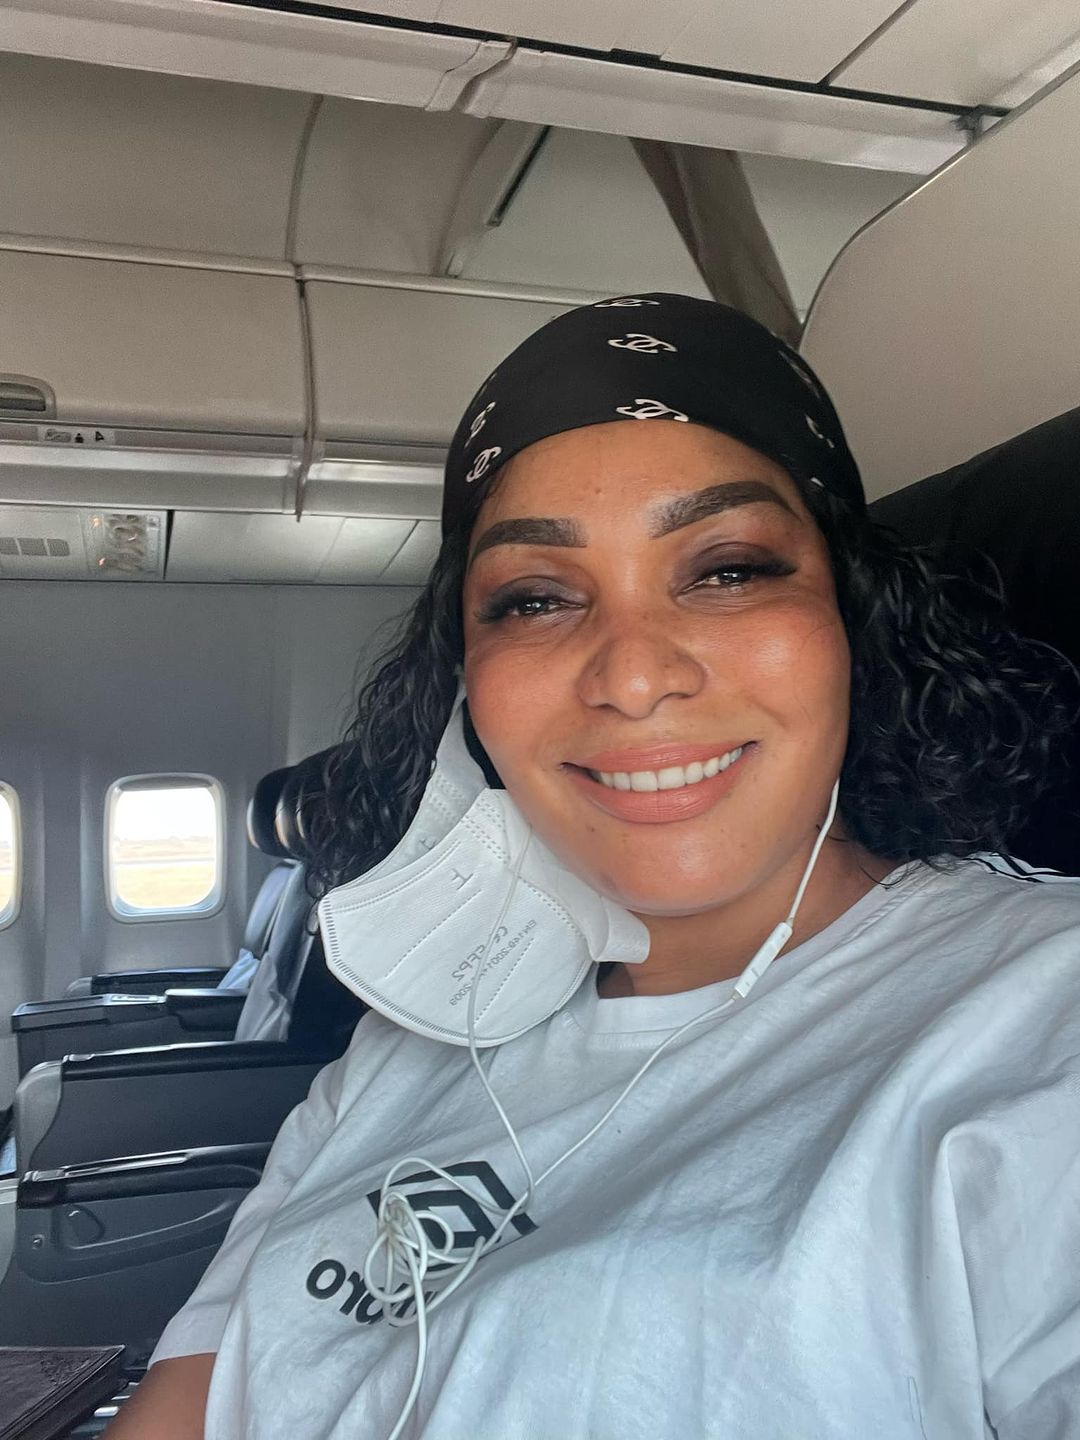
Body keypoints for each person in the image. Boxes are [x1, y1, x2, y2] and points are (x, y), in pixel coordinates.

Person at [108, 295, 1080, 1439]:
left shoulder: (1040, 1018)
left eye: (727, 570)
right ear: (467, 692)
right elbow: (192, 1403)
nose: (631, 675)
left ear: (853, 620)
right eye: (536, 598)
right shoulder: (407, 1043)